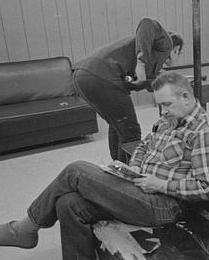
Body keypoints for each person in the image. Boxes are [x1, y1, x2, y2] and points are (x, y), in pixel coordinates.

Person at [0, 72, 209, 260]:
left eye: (168, 104)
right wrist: (130, 169)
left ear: (186, 97)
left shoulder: (205, 133)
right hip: (140, 189)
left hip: (165, 204)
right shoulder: (167, 120)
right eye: (160, 105)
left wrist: (161, 185)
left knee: (76, 171)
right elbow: (143, 147)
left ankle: (25, 229)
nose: (164, 111)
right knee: (69, 202)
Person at [72, 18, 183, 163]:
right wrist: (141, 64)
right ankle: (130, 173)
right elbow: (147, 23)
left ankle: (118, 166)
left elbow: (140, 82)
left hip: (83, 76)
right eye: (179, 53)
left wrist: (161, 82)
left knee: (118, 125)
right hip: (101, 75)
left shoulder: (152, 57)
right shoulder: (165, 44)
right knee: (131, 132)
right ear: (176, 49)